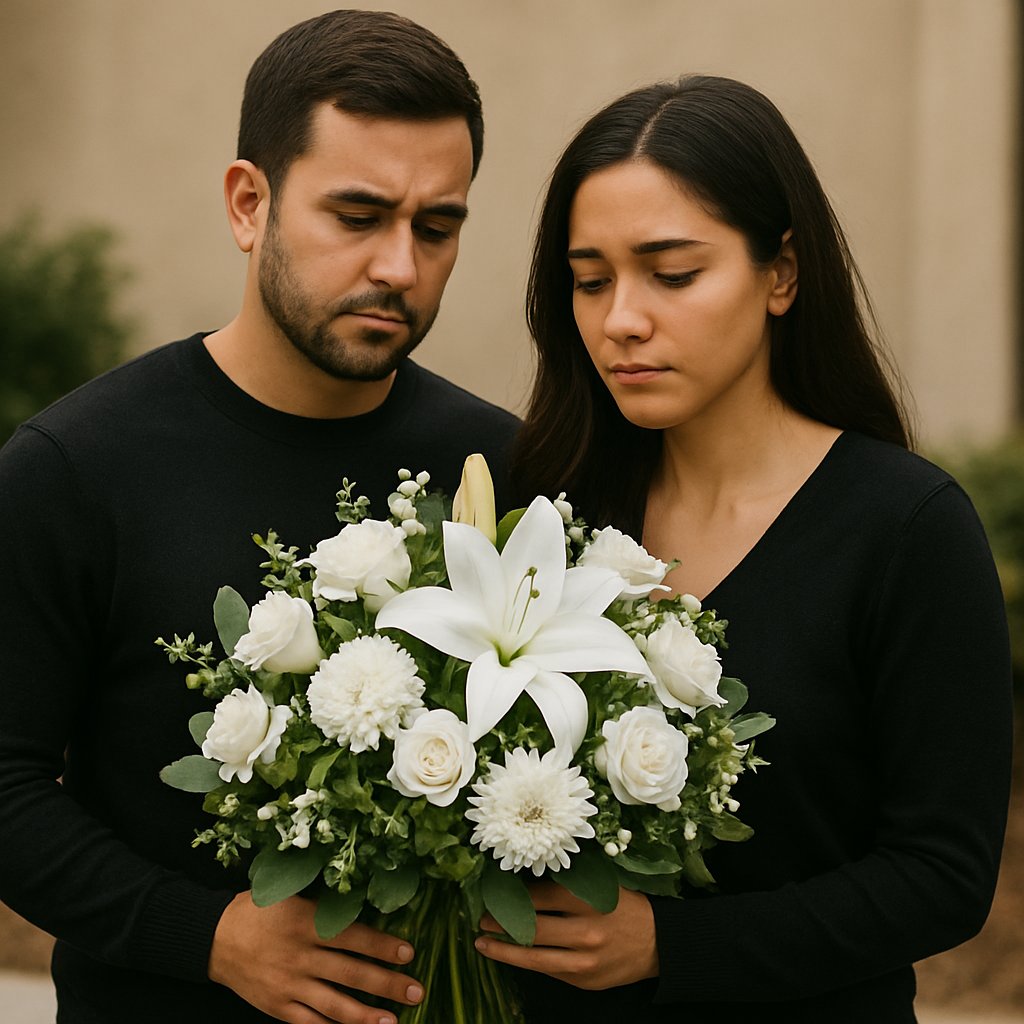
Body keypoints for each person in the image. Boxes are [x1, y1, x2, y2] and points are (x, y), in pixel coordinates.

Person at [0, 10, 517, 1024]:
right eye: (357, 215)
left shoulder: (502, 469)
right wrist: (208, 938)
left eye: (437, 226)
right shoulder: (73, 469)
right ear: (250, 204)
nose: (400, 268)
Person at [479, 75, 1014, 1023]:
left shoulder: (906, 529)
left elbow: (942, 876)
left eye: (672, 274)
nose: (621, 321)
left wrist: (672, 950)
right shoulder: (547, 514)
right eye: (590, 280)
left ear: (782, 273)